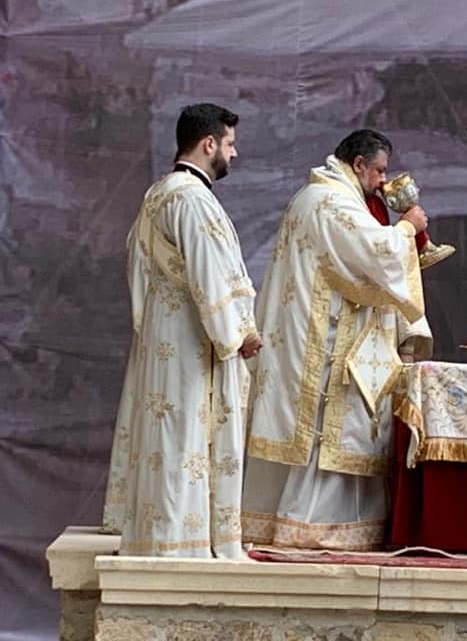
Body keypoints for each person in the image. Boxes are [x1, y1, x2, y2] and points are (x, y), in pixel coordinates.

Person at [242, 129, 432, 551]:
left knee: (324, 432)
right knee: (322, 433)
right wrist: (405, 229)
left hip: (320, 328)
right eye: (379, 170)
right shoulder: (329, 201)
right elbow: (370, 252)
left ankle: (319, 525)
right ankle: (311, 527)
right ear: (359, 164)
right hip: (320, 338)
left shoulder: (330, 197)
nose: (383, 180)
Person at [101, 103, 261, 557]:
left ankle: (162, 538)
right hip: (193, 342)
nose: (235, 152)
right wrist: (239, 332)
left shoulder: (158, 193)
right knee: (185, 437)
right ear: (208, 143)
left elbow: (139, 272)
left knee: (167, 439)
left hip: (163, 336)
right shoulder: (191, 198)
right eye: (229, 143)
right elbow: (212, 272)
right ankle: (182, 546)